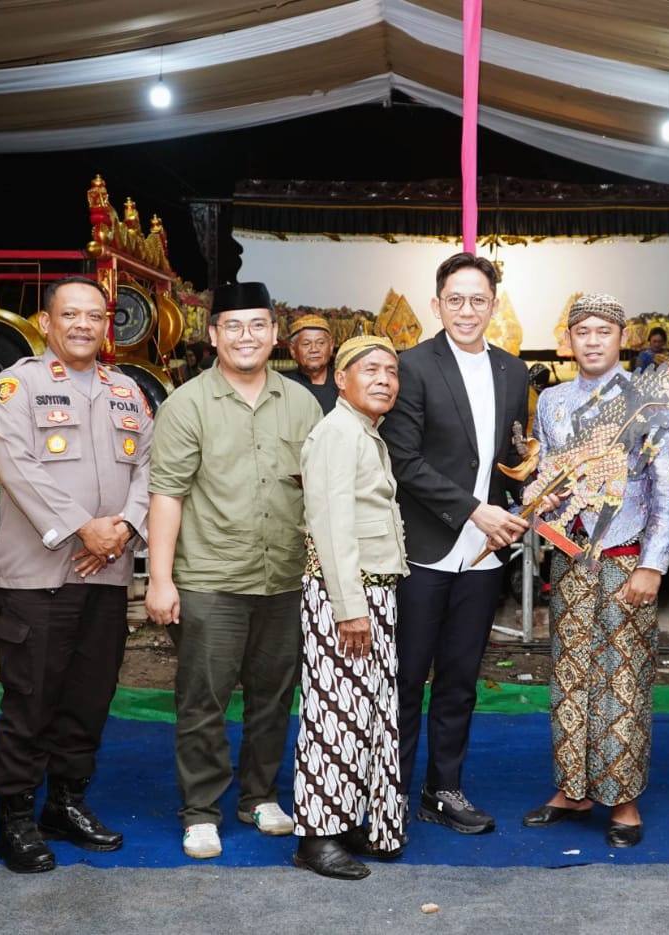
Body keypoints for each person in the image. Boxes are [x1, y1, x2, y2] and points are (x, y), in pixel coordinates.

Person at [145, 281, 322, 860]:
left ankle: (259, 796)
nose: (247, 337)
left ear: (275, 334)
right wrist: (160, 579)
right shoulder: (186, 404)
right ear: (214, 334)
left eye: (258, 325)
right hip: (211, 579)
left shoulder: (302, 403)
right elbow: (167, 494)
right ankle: (200, 810)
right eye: (234, 327)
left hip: (285, 578)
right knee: (204, 700)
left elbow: (318, 491)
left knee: (274, 696)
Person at [0, 275, 152, 873]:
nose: (83, 325)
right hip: (37, 576)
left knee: (89, 697)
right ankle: (15, 819)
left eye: (95, 316)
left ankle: (66, 803)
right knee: (31, 699)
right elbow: (18, 466)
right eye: (70, 314)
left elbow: (149, 469)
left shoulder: (126, 389)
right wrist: (84, 527)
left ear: (107, 325)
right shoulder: (17, 386)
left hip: (107, 572)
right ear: (46, 321)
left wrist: (124, 529)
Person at [521, 295, 669, 849]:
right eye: (582, 331)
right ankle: (573, 790)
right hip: (571, 559)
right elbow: (544, 472)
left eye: (603, 331)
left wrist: (653, 565)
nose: (592, 341)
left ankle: (623, 799)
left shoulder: (651, 402)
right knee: (570, 675)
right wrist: (539, 496)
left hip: (626, 559)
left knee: (623, 679)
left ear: (623, 338)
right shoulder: (552, 401)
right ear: (568, 340)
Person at [380, 252, 530, 835]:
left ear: (494, 306)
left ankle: (443, 789)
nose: (467, 310)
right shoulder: (411, 366)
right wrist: (474, 509)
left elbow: (510, 457)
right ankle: (390, 793)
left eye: (478, 300)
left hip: (485, 554)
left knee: (461, 679)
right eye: (456, 299)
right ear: (437, 304)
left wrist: (531, 491)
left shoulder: (514, 371)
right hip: (425, 547)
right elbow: (403, 459)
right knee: (405, 677)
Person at [292, 336, 409, 880]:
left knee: (369, 714)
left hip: (369, 593)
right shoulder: (338, 433)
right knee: (335, 717)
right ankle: (318, 838)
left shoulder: (364, 432)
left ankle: (350, 822)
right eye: (370, 369)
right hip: (346, 597)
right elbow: (331, 527)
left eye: (391, 371)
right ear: (341, 379)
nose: (384, 379)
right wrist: (349, 608)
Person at [283, 314, 338, 415]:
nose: (314, 349)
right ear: (293, 350)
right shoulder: (283, 385)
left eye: (321, 343)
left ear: (331, 346)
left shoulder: (345, 383)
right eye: (306, 344)